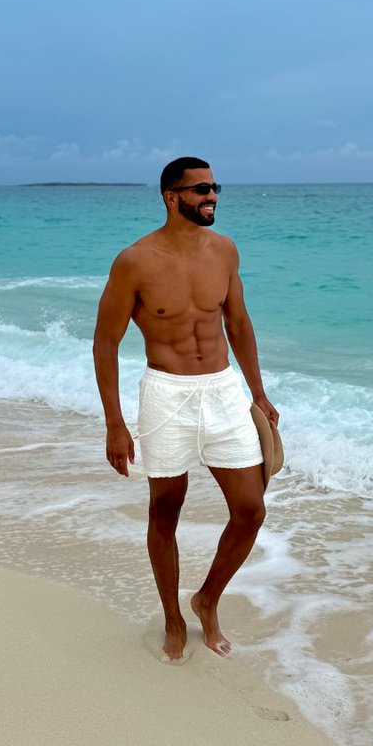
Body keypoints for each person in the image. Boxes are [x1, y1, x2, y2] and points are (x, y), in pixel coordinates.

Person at [93, 156, 279, 661]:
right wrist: (115, 423)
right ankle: (172, 618)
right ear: (170, 197)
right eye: (200, 189)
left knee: (250, 508)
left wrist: (257, 392)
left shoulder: (225, 251)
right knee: (165, 508)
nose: (211, 196)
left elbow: (238, 324)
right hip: (166, 396)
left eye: (215, 186)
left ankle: (206, 600)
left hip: (222, 391)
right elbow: (105, 342)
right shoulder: (135, 260)